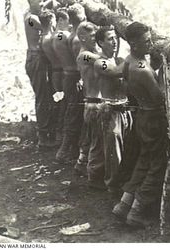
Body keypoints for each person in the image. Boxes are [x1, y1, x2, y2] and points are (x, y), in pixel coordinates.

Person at [112, 22, 168, 227]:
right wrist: (161, 74)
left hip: (142, 117)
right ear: (133, 43)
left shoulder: (129, 61)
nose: (151, 44)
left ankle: (124, 204)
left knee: (144, 161)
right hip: (153, 118)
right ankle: (137, 211)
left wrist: (155, 67)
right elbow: (160, 97)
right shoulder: (142, 69)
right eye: (146, 41)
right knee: (156, 165)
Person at [93, 26, 131, 192]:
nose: (115, 42)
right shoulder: (99, 62)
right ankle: (112, 185)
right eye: (110, 39)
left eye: (116, 38)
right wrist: (136, 57)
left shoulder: (121, 60)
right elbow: (116, 72)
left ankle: (121, 182)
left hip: (124, 109)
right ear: (101, 42)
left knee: (126, 148)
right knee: (113, 151)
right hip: (110, 111)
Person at [55, 3, 86, 162]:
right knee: (73, 113)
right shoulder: (77, 39)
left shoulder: (70, 35)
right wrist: (82, 78)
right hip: (75, 78)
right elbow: (81, 61)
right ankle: (64, 152)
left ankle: (69, 150)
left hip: (69, 77)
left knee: (71, 111)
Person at [74, 22, 105, 185]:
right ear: (83, 38)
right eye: (93, 36)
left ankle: (81, 164)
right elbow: (105, 61)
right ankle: (94, 177)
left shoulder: (90, 53)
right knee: (97, 143)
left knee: (91, 139)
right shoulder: (85, 55)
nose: (96, 39)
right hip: (94, 103)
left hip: (92, 103)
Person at [24, 0, 54, 148]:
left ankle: (46, 131)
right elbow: (48, 28)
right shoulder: (31, 19)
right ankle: (43, 136)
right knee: (42, 96)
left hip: (37, 58)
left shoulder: (31, 14)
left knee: (45, 94)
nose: (42, 4)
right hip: (36, 59)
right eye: (38, 1)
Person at [39, 9, 62, 146]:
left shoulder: (44, 37)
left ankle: (57, 136)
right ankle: (59, 137)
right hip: (59, 72)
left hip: (54, 72)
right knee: (60, 104)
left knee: (58, 103)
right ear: (51, 21)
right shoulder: (50, 38)